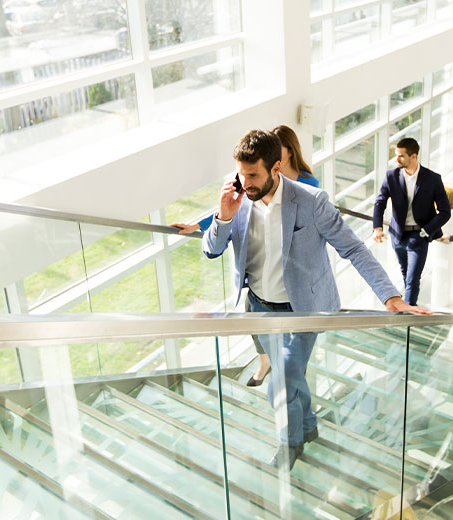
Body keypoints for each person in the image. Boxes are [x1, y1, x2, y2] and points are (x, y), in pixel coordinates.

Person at [204, 129, 430, 470]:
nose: (245, 182)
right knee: (291, 377)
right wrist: (223, 215)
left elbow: (353, 247)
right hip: (260, 310)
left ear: (276, 167)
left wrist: (390, 296)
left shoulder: (311, 202)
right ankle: (308, 426)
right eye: (241, 173)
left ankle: (290, 445)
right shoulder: (237, 196)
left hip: (303, 312)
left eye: (253, 175)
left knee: (279, 385)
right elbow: (211, 249)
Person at [173, 125, 319, 388]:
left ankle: (294, 398)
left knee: (292, 371)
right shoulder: (252, 185)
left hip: (292, 287)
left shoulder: (306, 185)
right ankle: (265, 363)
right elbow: (228, 215)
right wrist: (201, 224)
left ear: (285, 154)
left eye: (279, 149)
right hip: (258, 284)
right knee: (255, 325)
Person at [171, 124, 319, 236]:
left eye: (278, 150)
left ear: (291, 151)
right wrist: (196, 226)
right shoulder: (249, 180)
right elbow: (229, 208)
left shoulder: (309, 184)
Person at [372, 137, 452, 305]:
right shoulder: (391, 176)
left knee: (412, 279)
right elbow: (380, 202)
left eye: (401, 156)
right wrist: (377, 227)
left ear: (413, 156)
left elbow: (445, 212)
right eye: (396, 155)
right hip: (397, 235)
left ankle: (406, 316)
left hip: (419, 235)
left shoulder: (432, 179)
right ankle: (408, 310)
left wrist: (426, 231)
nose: (396, 159)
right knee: (405, 273)